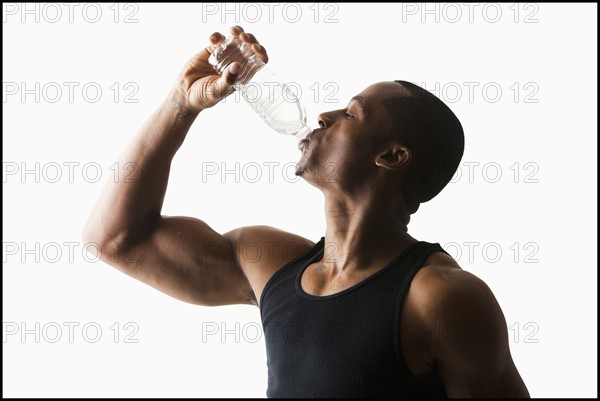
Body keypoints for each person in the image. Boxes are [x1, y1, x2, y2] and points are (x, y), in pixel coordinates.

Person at [82, 25, 530, 398]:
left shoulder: (440, 298)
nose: (324, 115)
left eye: (351, 115)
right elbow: (116, 239)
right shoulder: (270, 264)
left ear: (391, 157)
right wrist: (182, 104)